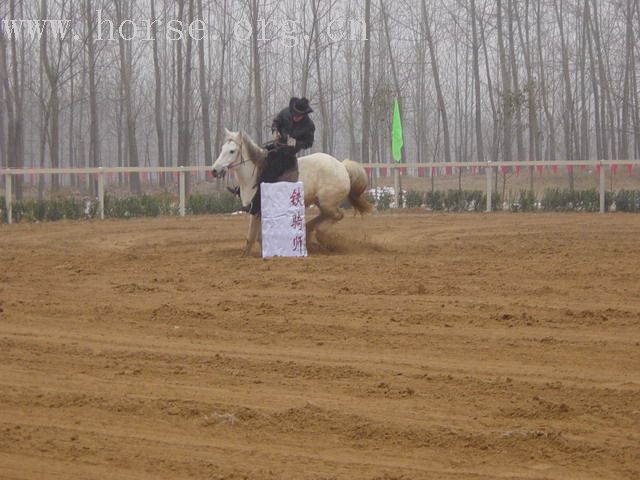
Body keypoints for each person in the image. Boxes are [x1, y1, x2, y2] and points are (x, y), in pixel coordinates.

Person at [229, 97, 315, 215]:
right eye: (294, 114)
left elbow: (308, 143)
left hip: (288, 155)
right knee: (257, 162)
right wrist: (275, 131)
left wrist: (296, 143)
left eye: (298, 116)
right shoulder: (285, 113)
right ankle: (241, 189)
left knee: (267, 175)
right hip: (275, 146)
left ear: (304, 115)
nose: (295, 117)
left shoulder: (309, 126)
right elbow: (276, 122)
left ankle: (255, 206)